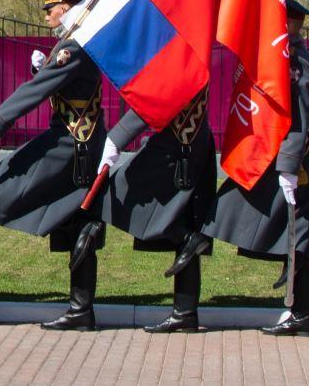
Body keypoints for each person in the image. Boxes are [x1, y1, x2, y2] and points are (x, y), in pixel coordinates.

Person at [0, 0, 108, 332]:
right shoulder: (73, 43)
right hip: (76, 143)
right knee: (75, 222)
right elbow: (60, 85)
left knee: (11, 183)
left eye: (49, 8)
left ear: (63, 7)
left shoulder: (73, 45)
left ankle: (81, 308)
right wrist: (42, 69)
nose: (46, 15)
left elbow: (37, 90)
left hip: (74, 146)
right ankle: (81, 308)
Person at [212, 0, 309, 334]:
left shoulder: (294, 63)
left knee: (299, 239)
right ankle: (301, 314)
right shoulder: (286, 58)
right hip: (282, 161)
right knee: (292, 237)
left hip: (298, 166)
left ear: (289, 24)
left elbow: (298, 120)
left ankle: (303, 315)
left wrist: (290, 166)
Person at [93, 89, 217, 334]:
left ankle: (186, 238)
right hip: (188, 135)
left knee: (120, 188)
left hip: (180, 139)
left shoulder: (182, 50)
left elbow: (158, 91)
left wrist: (117, 137)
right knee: (183, 217)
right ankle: (185, 313)